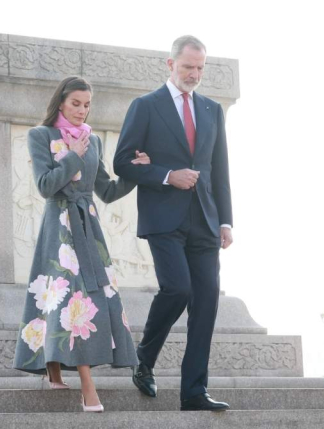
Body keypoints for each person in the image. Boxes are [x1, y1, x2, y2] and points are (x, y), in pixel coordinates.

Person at [12, 76, 150, 412]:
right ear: (60, 102)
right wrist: (72, 156)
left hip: (88, 228)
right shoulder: (40, 136)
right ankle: (88, 388)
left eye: (87, 105)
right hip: (59, 227)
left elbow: (106, 190)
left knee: (93, 298)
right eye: (76, 103)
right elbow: (46, 185)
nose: (82, 111)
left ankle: (55, 368)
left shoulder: (93, 141)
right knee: (70, 298)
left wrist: (136, 172)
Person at [113, 35, 233, 412]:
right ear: (170, 65)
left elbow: (220, 171)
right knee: (178, 289)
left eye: (199, 68)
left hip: (206, 220)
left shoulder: (213, 110)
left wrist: (226, 220)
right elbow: (122, 163)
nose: (194, 74)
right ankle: (144, 358)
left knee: (207, 302)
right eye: (187, 67)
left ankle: (194, 392)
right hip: (164, 218)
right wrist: (167, 175)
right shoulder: (145, 106)